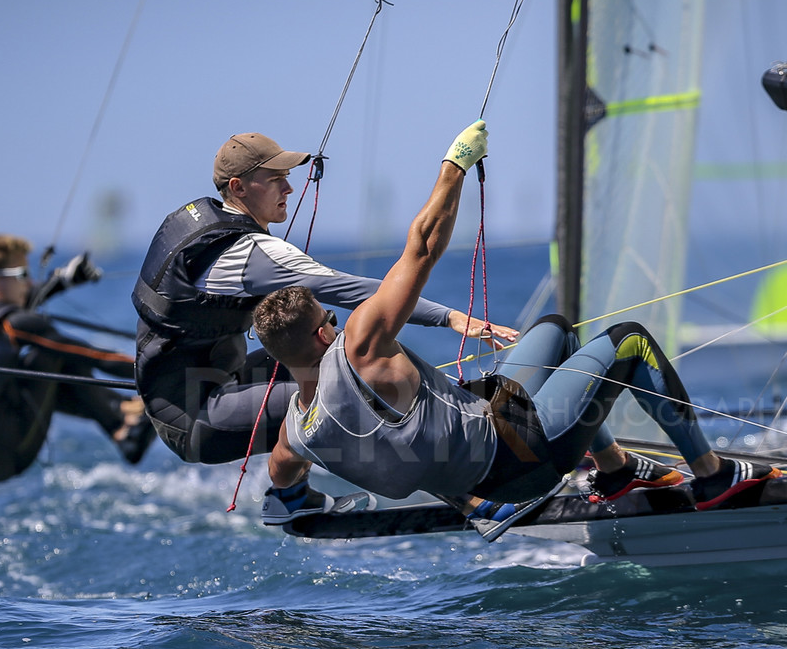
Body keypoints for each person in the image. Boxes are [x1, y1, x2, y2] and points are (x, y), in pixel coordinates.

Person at [252, 121, 777, 526]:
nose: (338, 322)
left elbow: (280, 470)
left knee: (555, 330)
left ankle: (615, 469)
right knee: (631, 343)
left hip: (488, 438)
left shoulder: (298, 431)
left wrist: (295, 500)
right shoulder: (359, 347)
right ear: (324, 333)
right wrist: (455, 166)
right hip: (520, 460)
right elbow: (423, 247)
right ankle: (714, 477)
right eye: (331, 317)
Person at [132, 131, 516, 466]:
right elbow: (363, 293)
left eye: (287, 178)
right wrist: (449, 317)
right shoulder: (249, 256)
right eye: (276, 179)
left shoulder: (202, 223)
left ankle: (304, 487)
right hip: (195, 417)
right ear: (238, 187)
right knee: (345, 395)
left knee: (333, 348)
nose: (289, 189)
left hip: (201, 383)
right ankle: (464, 482)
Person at [0, 234, 154, 483]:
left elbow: (8, 306)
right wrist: (158, 371)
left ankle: (124, 413)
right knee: (54, 353)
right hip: (6, 456)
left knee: (16, 366)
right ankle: (122, 424)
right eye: (21, 275)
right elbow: (96, 356)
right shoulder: (10, 323)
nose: (29, 283)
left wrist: (61, 281)